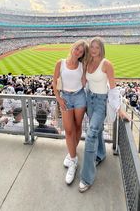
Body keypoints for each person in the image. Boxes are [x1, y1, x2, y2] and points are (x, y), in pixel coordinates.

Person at [79, 37, 130, 193]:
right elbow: (83, 82)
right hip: (89, 99)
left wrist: (119, 109)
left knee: (91, 134)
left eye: (97, 47)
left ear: (101, 48)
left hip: (101, 102)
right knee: (98, 129)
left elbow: (113, 89)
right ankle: (100, 154)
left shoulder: (106, 64)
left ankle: (87, 177)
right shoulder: (87, 62)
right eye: (92, 47)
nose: (94, 49)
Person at [53, 40, 89, 185]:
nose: (78, 52)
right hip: (66, 97)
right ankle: (73, 161)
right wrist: (59, 98)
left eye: (81, 51)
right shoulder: (60, 63)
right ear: (72, 47)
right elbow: (54, 82)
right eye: (77, 49)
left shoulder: (83, 65)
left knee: (77, 126)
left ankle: (72, 154)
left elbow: (86, 82)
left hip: (80, 97)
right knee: (68, 130)